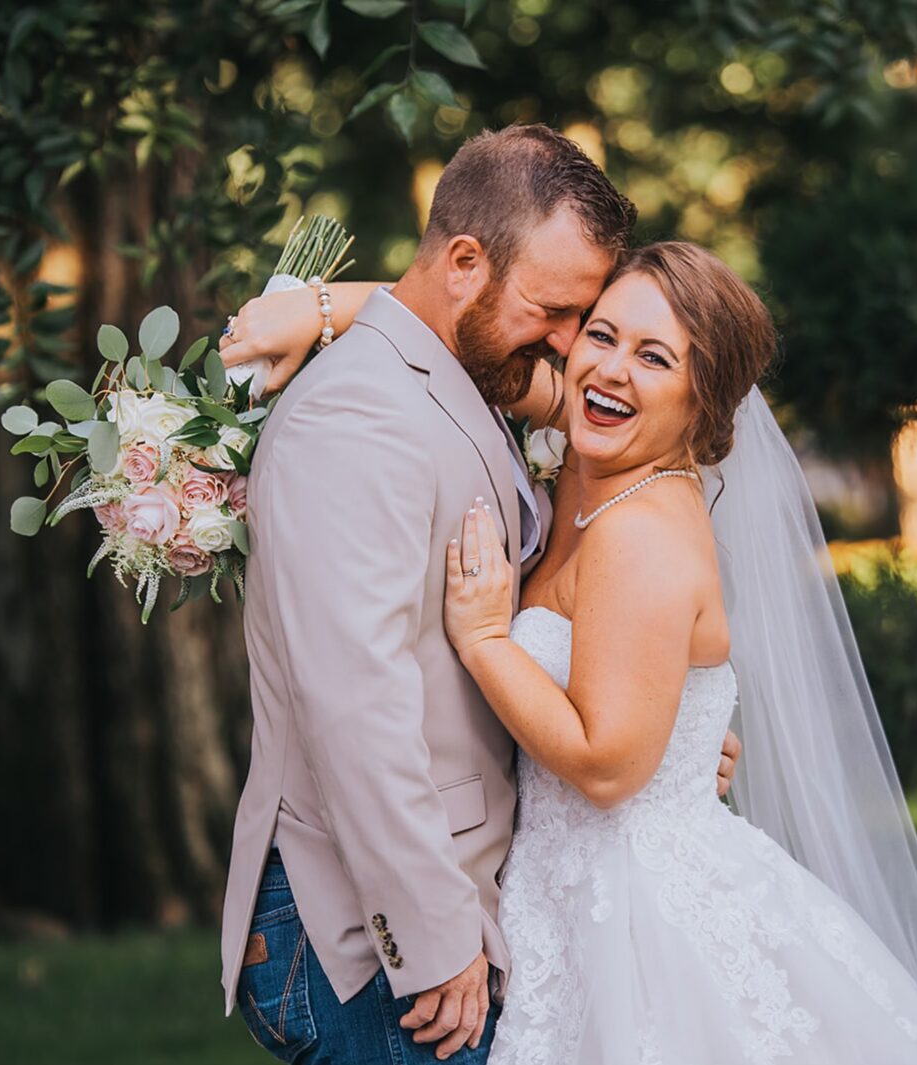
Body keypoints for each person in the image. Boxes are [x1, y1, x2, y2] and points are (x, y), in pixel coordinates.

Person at [227, 239, 917, 1064]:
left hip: (638, 920)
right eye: (600, 335)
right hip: (556, 893)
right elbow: (463, 323)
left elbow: (607, 766)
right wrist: (319, 309)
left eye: (655, 357)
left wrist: (488, 640)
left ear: (702, 404)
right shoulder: (590, 435)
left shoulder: (640, 530)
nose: (613, 370)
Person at [217, 125, 743, 1065]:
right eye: (559, 311)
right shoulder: (355, 415)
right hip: (373, 928)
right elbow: (355, 702)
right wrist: (430, 933)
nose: (573, 346)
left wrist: (673, 728)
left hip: (483, 886)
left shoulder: (468, 367)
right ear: (465, 263)